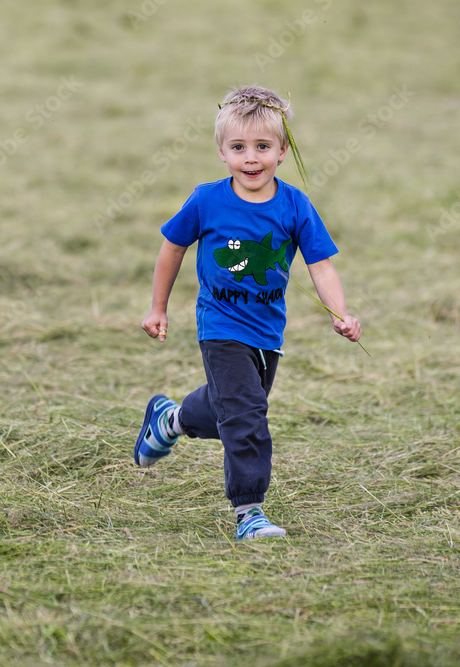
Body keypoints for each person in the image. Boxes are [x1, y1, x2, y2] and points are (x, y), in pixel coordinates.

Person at [134, 86, 362, 540]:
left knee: (233, 412)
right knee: (247, 418)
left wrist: (341, 312)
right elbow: (172, 249)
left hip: (267, 331)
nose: (251, 158)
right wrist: (158, 307)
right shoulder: (207, 200)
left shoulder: (294, 205)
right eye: (239, 147)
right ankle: (249, 512)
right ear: (222, 152)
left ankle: (171, 419)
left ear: (283, 150)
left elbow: (320, 264)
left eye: (262, 147)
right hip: (218, 327)